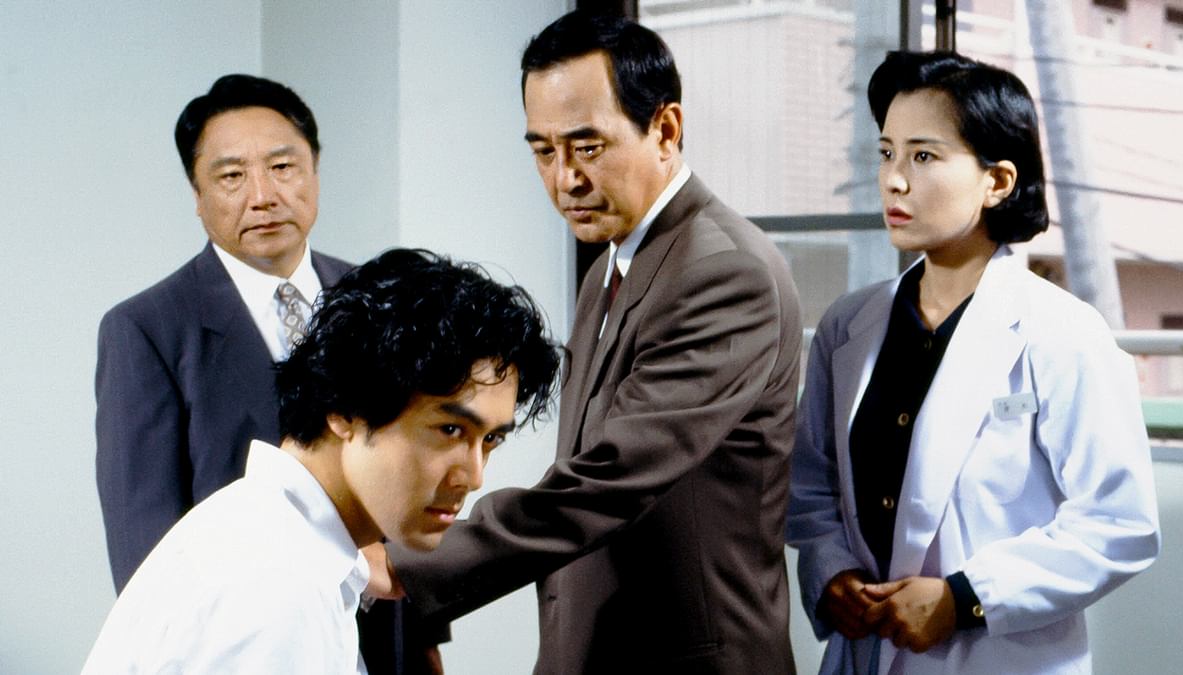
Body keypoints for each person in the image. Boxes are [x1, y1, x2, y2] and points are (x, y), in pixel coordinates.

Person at [387, 11, 803, 673]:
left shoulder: (726, 272)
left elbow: (608, 480)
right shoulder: (611, 263)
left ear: (665, 129)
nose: (565, 179)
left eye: (587, 147)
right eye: (543, 151)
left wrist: (407, 565)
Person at [787, 50, 1161, 674]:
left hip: (1000, 656)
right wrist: (831, 571)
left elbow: (1119, 521)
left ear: (998, 181)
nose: (893, 180)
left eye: (923, 157)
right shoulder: (847, 326)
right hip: (865, 652)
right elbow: (812, 484)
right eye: (886, 153)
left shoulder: (1063, 333)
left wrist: (965, 599)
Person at [83, 248, 560, 673]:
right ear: (344, 409)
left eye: (490, 439)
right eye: (450, 430)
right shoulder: (276, 585)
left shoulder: (277, 539)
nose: (474, 476)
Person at [93, 74, 423, 672]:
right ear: (197, 194)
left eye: (282, 166)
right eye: (231, 176)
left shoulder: (380, 297)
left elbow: (413, 479)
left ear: (315, 170)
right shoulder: (147, 329)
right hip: (248, 646)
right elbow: (148, 554)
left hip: (385, 638)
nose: (263, 195)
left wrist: (426, 639)